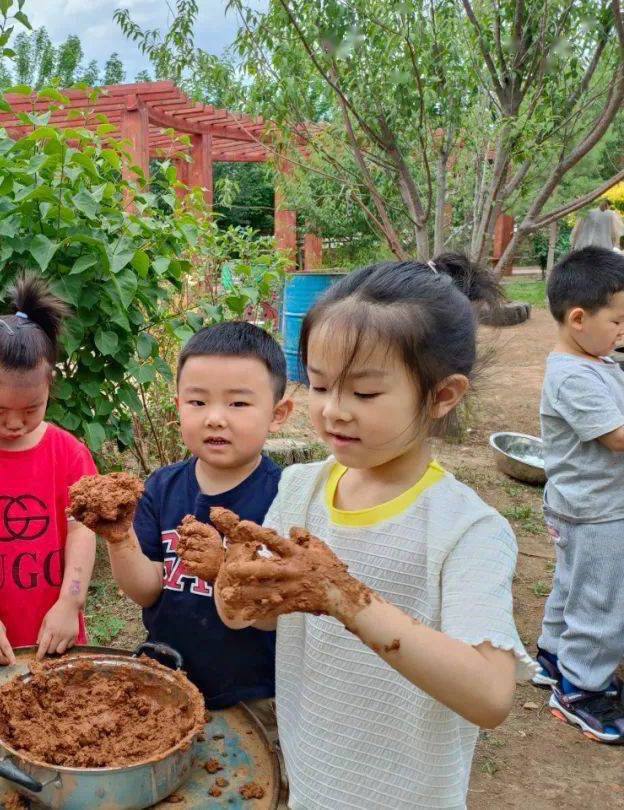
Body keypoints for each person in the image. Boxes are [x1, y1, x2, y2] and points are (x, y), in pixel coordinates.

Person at [214, 255, 534, 807]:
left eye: (364, 394)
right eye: (319, 385)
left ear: (442, 395)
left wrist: (345, 598)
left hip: (406, 791)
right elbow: (260, 618)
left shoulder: (465, 530)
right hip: (314, 771)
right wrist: (235, 587)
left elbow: (490, 695)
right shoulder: (300, 489)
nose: (334, 411)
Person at [90, 322, 291, 711]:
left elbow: (277, 614)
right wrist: (120, 539)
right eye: (198, 402)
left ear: (277, 413)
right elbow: (148, 589)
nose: (215, 418)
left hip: (251, 694)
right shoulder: (162, 487)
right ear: (179, 406)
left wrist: (224, 571)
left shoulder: (285, 497)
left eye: (238, 403)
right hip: (167, 680)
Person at [0, 276, 97, 664]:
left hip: (55, 635)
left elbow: (82, 531)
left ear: (49, 387)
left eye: (31, 409)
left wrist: (70, 605)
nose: (15, 424)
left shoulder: (69, 453)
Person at [531, 246, 624, 743]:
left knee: (573, 584)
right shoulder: (572, 375)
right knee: (604, 599)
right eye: (618, 320)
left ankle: (552, 656)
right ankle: (582, 689)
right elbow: (616, 437)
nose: (622, 331)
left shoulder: (594, 359)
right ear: (578, 318)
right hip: (597, 512)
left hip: (584, 506)